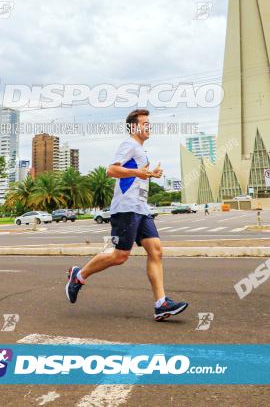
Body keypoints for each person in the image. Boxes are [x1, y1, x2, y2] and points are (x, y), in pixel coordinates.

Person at [65, 109, 189, 321]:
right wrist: (139, 172)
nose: (149, 127)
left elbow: (138, 176)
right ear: (134, 127)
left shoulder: (140, 150)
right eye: (145, 123)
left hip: (141, 208)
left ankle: (161, 304)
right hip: (126, 208)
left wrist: (151, 174)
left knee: (156, 251)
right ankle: (79, 276)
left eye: (149, 123)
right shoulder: (128, 145)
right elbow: (111, 171)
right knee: (120, 256)